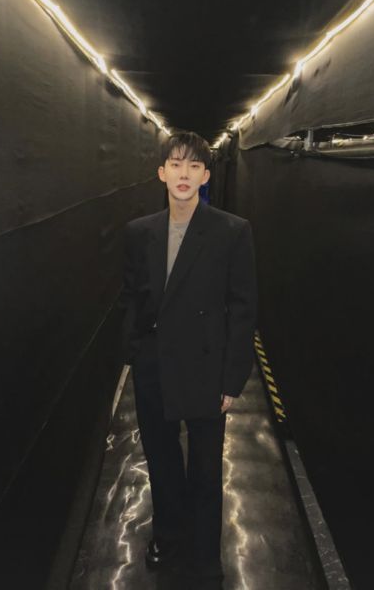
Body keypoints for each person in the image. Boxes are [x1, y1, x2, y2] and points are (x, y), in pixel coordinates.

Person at [120, 130, 257, 589]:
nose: (184, 173)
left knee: (205, 469)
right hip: (155, 365)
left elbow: (242, 308)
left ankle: (204, 555)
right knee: (161, 461)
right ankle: (168, 536)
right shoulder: (140, 232)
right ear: (161, 173)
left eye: (194, 165)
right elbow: (133, 297)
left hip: (205, 369)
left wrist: (232, 379)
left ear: (205, 176)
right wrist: (135, 353)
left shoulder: (231, 231)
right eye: (176, 164)